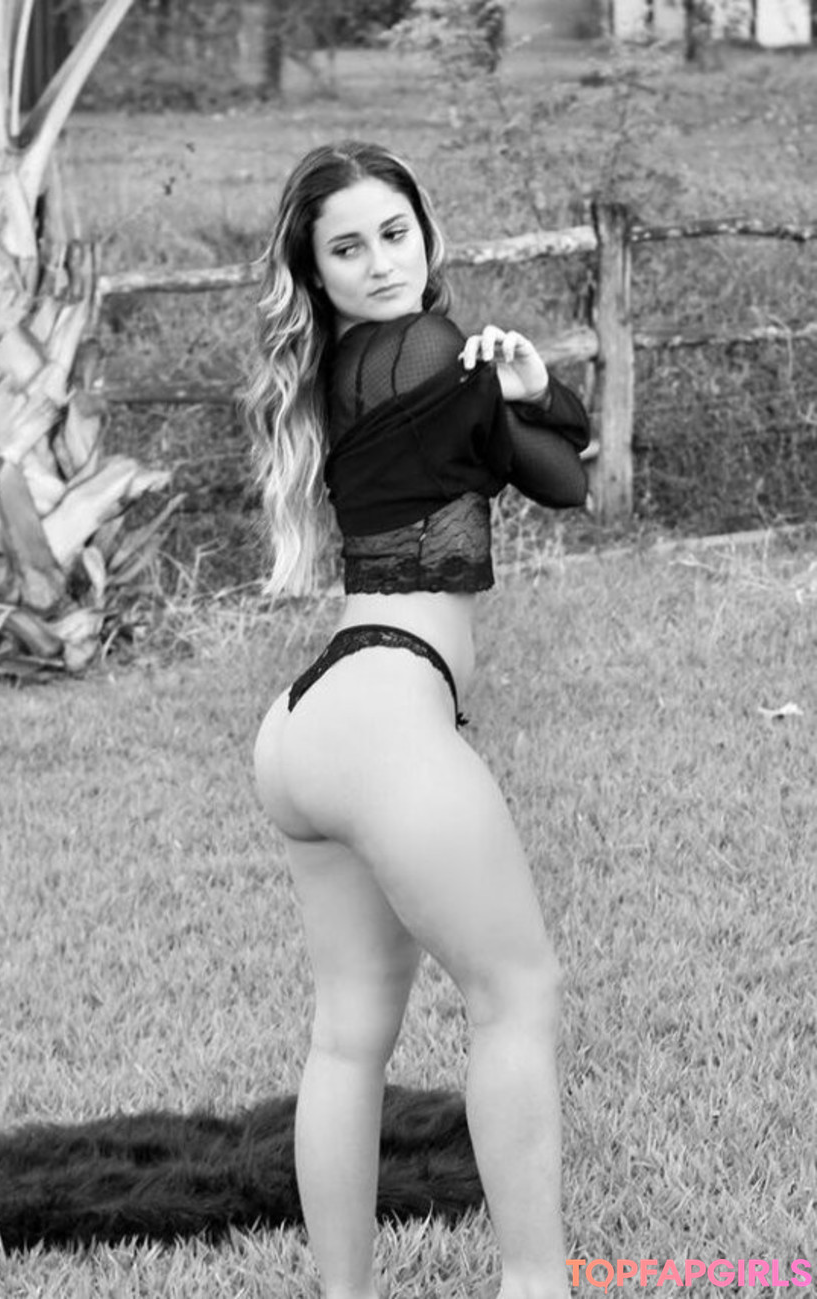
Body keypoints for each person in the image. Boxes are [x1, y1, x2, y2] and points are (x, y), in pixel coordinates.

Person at [246, 141, 591, 1299]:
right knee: (517, 996)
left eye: (394, 234)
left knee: (349, 1037)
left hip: (308, 724)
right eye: (348, 248)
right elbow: (567, 479)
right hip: (389, 715)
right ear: (318, 273)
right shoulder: (435, 349)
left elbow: (525, 457)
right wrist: (540, 390)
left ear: (426, 232)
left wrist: (520, 395)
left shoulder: (346, 369)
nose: (382, 262)